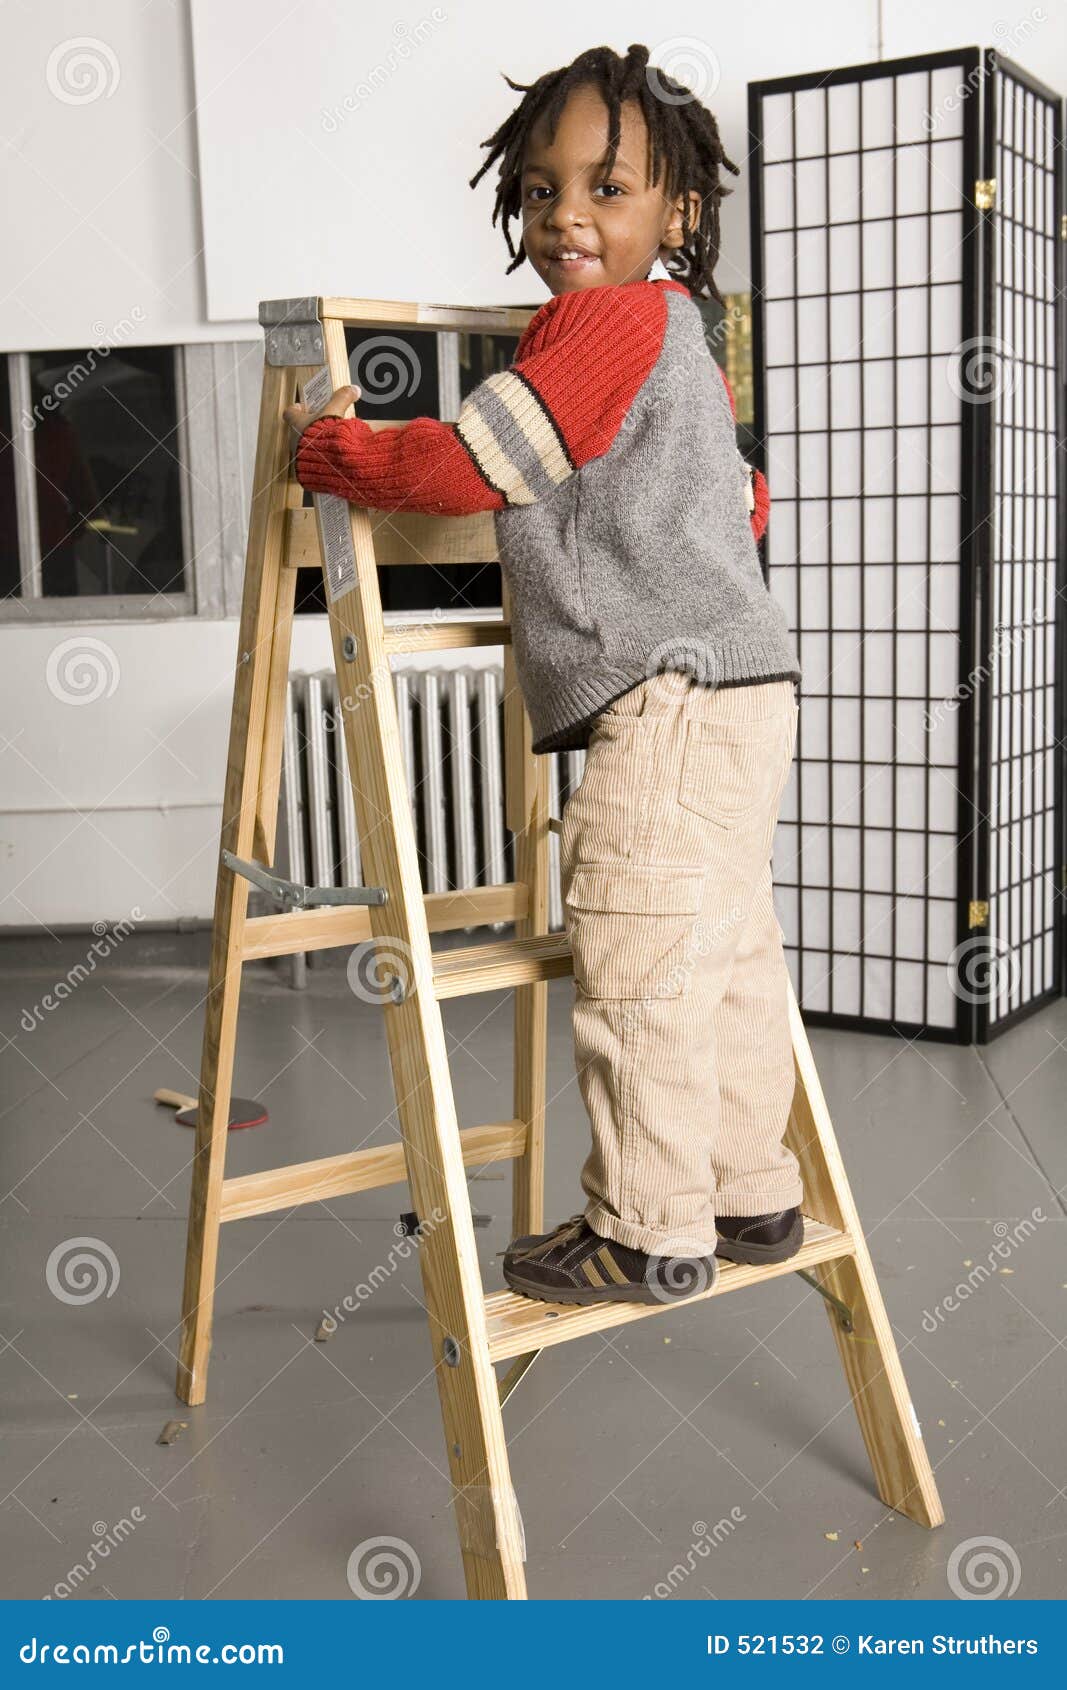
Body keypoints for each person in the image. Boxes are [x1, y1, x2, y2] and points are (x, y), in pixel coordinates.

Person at [286, 42, 803, 1309]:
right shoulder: (689, 327)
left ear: (677, 210)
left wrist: (333, 451)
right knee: (727, 957)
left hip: (666, 703)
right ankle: (750, 1192)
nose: (562, 216)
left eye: (604, 189)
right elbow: (743, 496)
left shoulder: (602, 323)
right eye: (536, 189)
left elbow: (466, 467)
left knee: (633, 963)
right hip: (747, 691)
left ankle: (643, 1228)